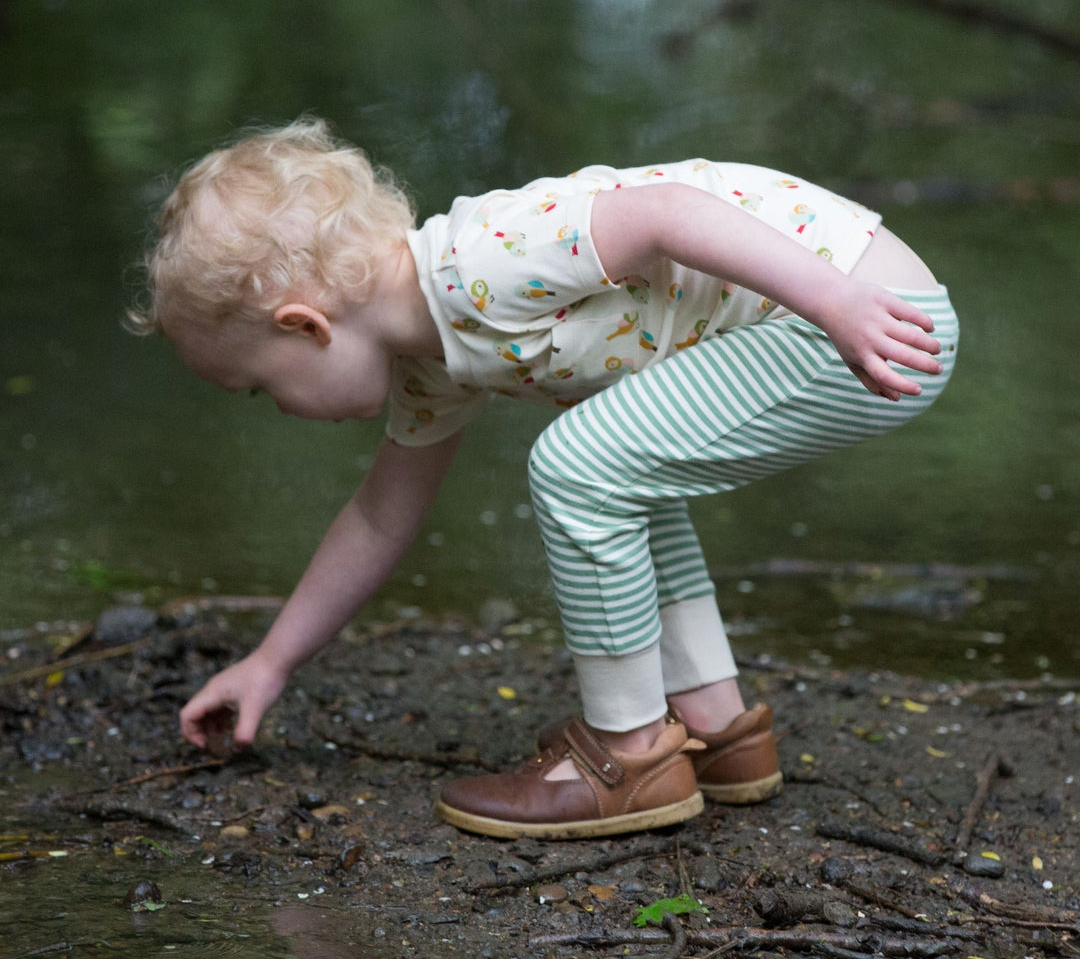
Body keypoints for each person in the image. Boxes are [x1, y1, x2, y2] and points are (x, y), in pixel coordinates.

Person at [127, 117, 958, 841]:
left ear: (304, 327)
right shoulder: (432, 362)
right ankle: (716, 728)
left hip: (860, 320)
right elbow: (380, 518)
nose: (277, 408)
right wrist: (271, 662)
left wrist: (837, 303)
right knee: (623, 467)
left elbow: (667, 211)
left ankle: (628, 754)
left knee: (578, 463)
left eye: (262, 389)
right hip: (845, 316)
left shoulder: (482, 257)